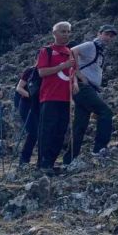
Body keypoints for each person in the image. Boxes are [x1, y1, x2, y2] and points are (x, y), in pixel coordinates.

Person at [63, 25, 118, 165]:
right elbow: (72, 51)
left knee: (80, 125)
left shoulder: (100, 52)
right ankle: (99, 149)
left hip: (88, 88)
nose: (109, 38)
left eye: (111, 36)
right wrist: (78, 73)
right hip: (83, 87)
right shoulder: (90, 45)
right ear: (99, 33)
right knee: (105, 112)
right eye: (106, 34)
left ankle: (69, 160)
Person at [36, 21, 78, 175]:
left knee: (61, 132)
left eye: (68, 31)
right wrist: (62, 66)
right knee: (48, 131)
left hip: (66, 99)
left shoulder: (71, 52)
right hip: (50, 97)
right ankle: (42, 164)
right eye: (62, 31)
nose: (66, 34)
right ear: (54, 33)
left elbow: (72, 72)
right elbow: (42, 72)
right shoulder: (46, 51)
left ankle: (51, 162)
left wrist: (75, 83)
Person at [16, 66, 40, 167]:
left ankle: (39, 159)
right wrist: (31, 96)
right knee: (33, 131)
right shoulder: (30, 71)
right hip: (26, 104)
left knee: (39, 131)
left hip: (39, 105)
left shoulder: (48, 72)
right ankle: (24, 159)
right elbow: (19, 88)